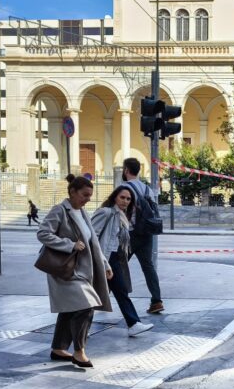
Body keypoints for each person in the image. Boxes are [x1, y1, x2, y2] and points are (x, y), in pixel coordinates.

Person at [37, 175, 113, 369]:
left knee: (70, 309)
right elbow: (43, 233)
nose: (88, 199)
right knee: (85, 306)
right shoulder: (60, 210)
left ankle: (58, 348)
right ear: (72, 192)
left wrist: (104, 264)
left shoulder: (82, 212)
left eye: (90, 196)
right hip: (66, 269)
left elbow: (92, 243)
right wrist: (69, 245)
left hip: (82, 270)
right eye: (84, 195)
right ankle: (79, 352)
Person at [91, 187, 154, 337]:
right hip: (103, 258)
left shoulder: (121, 216)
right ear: (114, 198)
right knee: (93, 294)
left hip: (114, 258)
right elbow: (91, 235)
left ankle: (133, 324)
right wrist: (101, 261)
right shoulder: (105, 212)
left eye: (128, 199)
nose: (125, 201)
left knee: (120, 291)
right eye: (122, 197)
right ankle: (77, 327)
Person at [121, 158, 164, 314]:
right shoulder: (147, 189)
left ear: (126, 170)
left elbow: (119, 211)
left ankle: (102, 298)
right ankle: (157, 301)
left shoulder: (123, 188)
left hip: (129, 234)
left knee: (117, 266)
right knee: (148, 267)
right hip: (146, 234)